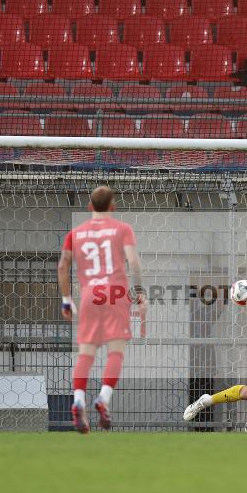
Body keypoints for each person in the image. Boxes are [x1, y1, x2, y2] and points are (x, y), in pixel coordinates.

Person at [57, 186, 146, 433]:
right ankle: (104, 399)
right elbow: (134, 261)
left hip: (89, 295)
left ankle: (78, 400)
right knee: (115, 351)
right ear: (113, 206)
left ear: (89, 207)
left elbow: (63, 265)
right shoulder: (122, 229)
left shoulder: (75, 233)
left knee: (86, 353)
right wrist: (139, 291)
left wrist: (66, 299)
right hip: (115, 293)